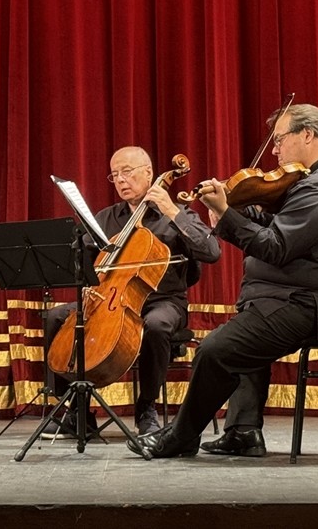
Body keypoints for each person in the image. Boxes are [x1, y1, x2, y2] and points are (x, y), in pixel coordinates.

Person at [130, 103, 318, 459]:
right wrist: (231, 209)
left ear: (308, 135)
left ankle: (181, 437)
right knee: (251, 319)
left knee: (216, 351)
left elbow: (276, 246)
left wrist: (226, 214)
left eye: (280, 140)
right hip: (304, 296)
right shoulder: (317, 176)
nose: (274, 150)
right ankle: (242, 432)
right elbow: (278, 223)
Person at [44, 146, 221, 437]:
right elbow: (82, 261)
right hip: (109, 299)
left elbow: (211, 251)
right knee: (55, 317)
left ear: (149, 173)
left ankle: (146, 408)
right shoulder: (107, 218)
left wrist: (171, 210)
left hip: (163, 301)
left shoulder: (177, 213)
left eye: (127, 172)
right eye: (114, 175)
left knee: (156, 325)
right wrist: (84, 271)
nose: (121, 180)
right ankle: (76, 411)